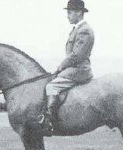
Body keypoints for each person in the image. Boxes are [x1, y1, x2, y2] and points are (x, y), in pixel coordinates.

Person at [43, 0, 95, 133]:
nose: (68, 15)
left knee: (51, 86)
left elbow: (77, 55)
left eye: (70, 12)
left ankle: (50, 121)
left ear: (79, 13)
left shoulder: (84, 30)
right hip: (73, 69)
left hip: (79, 70)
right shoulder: (77, 29)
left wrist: (62, 65)